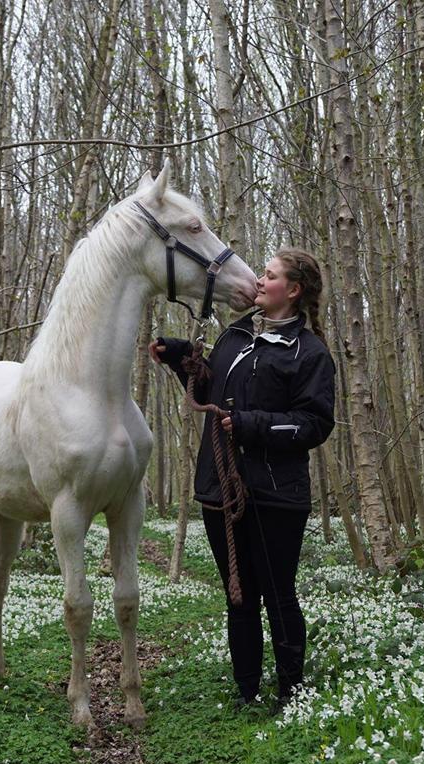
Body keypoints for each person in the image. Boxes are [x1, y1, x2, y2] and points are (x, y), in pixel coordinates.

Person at [149, 247, 336, 712]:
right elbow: (212, 389)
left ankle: (290, 691)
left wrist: (255, 425)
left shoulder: (310, 353)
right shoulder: (235, 335)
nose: (258, 280)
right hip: (220, 489)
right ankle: (247, 690)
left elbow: (314, 424)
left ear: (291, 291)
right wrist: (180, 360)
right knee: (238, 594)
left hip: (276, 494)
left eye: (269, 275)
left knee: (278, 595)